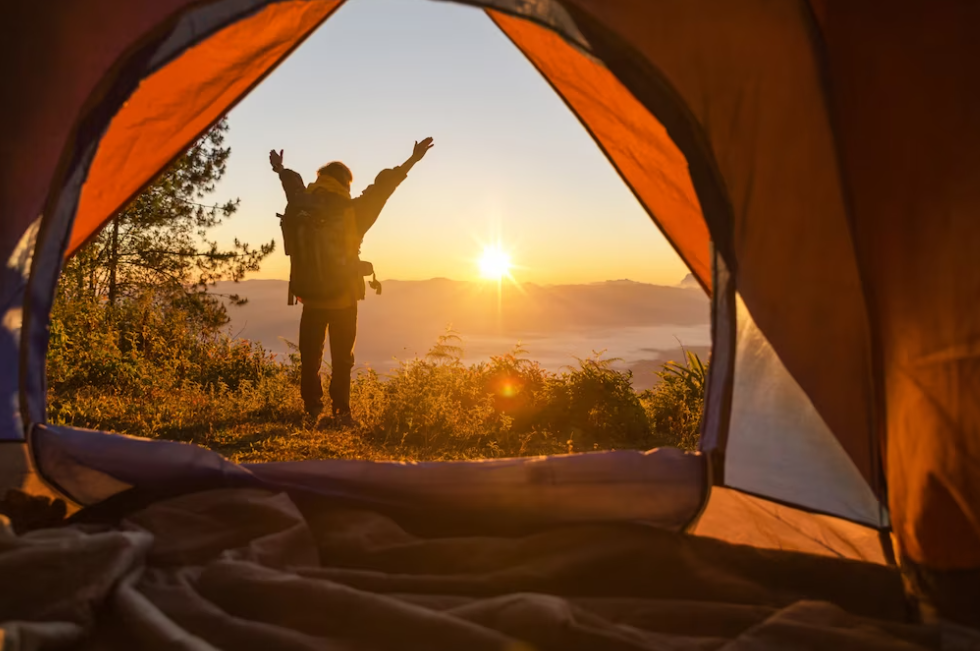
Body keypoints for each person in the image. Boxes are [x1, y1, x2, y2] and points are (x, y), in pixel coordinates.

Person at [270, 137, 434, 427]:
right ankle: (341, 413)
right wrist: (412, 160)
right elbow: (384, 187)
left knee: (310, 357)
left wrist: (279, 168)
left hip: (309, 295)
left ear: (320, 179)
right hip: (343, 298)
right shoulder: (356, 211)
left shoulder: (301, 202)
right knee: (342, 359)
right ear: (345, 183)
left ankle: (311, 409)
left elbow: (292, 182)